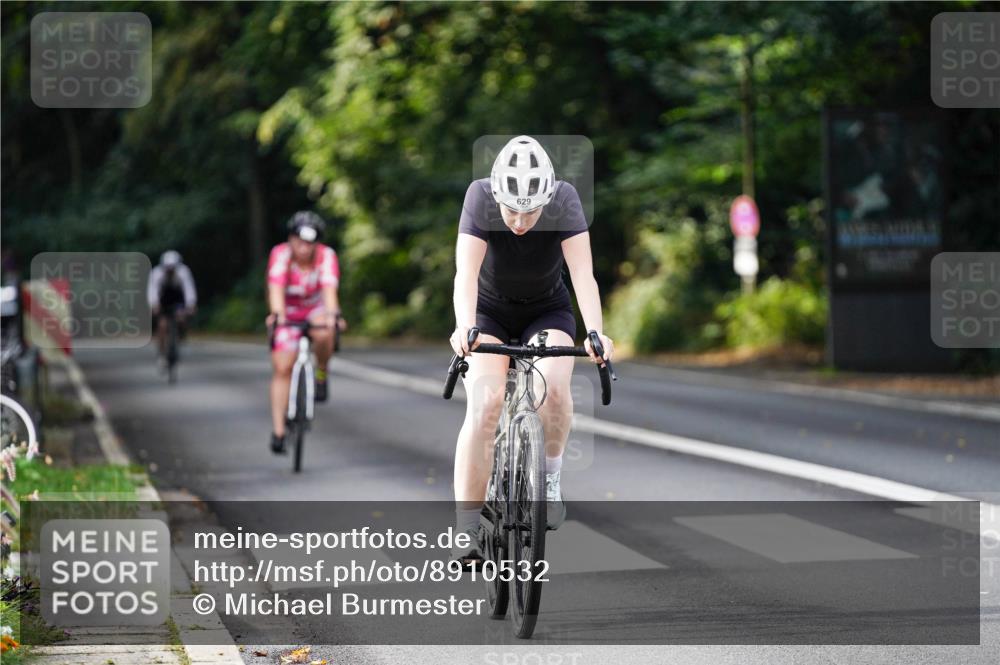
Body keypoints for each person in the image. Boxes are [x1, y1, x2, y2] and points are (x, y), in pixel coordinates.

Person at [449, 136, 614, 563]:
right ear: (498, 197)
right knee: (484, 407)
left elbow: (583, 274)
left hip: (547, 310)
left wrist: (596, 331)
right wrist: (464, 326)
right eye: (512, 211)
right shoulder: (480, 196)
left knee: (556, 391)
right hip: (488, 313)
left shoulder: (564, 200)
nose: (521, 222)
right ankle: (466, 528)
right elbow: (465, 273)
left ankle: (551, 480)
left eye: (531, 212)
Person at [266, 211, 345, 454]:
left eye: (309, 243)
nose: (303, 248)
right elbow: (276, 288)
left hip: (315, 309)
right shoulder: (280, 255)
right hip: (288, 311)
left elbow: (329, 292)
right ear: (290, 239)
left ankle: (321, 371)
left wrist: (334, 316)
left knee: (324, 331)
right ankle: (279, 430)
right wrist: (277, 315)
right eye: (298, 241)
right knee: (282, 368)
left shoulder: (326, 256)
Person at [147, 250, 197, 371]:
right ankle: (162, 354)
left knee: (181, 318)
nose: (170, 270)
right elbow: (152, 291)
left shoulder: (184, 272)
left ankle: (180, 336)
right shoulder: (157, 273)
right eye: (168, 267)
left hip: (177, 300)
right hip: (163, 300)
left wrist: (191, 305)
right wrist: (154, 305)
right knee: (162, 326)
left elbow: (189, 289)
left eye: (172, 267)